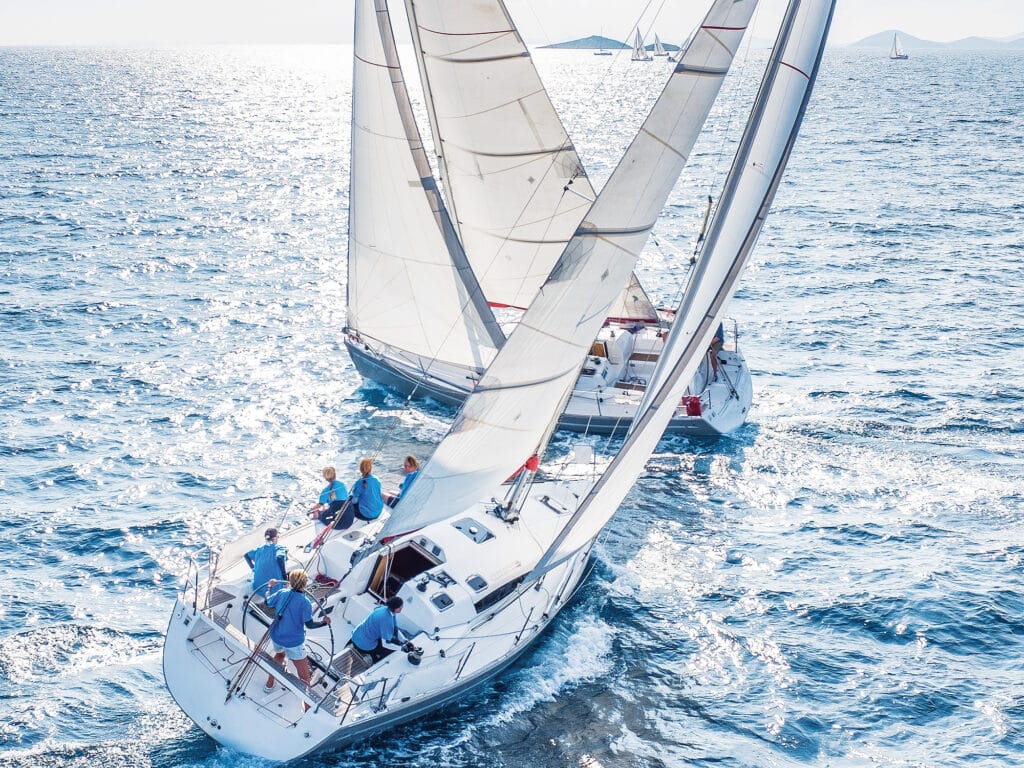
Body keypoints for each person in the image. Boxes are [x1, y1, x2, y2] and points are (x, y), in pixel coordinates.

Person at [264, 569, 331, 699]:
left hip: (277, 636)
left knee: (279, 655)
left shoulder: (281, 592)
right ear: (305, 585)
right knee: (305, 675)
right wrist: (324, 622)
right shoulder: (305, 603)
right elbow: (310, 625)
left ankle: (269, 684)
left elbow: (267, 602)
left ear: (290, 581)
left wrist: (269, 587)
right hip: (294, 642)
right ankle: (307, 704)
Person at [350, 596, 405, 663]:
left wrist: (405, 640)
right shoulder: (387, 620)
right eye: (400, 607)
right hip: (364, 646)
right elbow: (386, 644)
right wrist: (401, 648)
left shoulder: (383, 608)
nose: (401, 608)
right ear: (395, 608)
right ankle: (372, 658)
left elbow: (394, 628)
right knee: (390, 649)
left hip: (355, 636)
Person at [244, 528, 287, 593]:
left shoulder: (259, 550)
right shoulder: (279, 548)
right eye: (278, 536)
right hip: (274, 589)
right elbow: (280, 557)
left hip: (258, 588)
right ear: (275, 538)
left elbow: (246, 555)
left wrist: (253, 568)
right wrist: (285, 579)